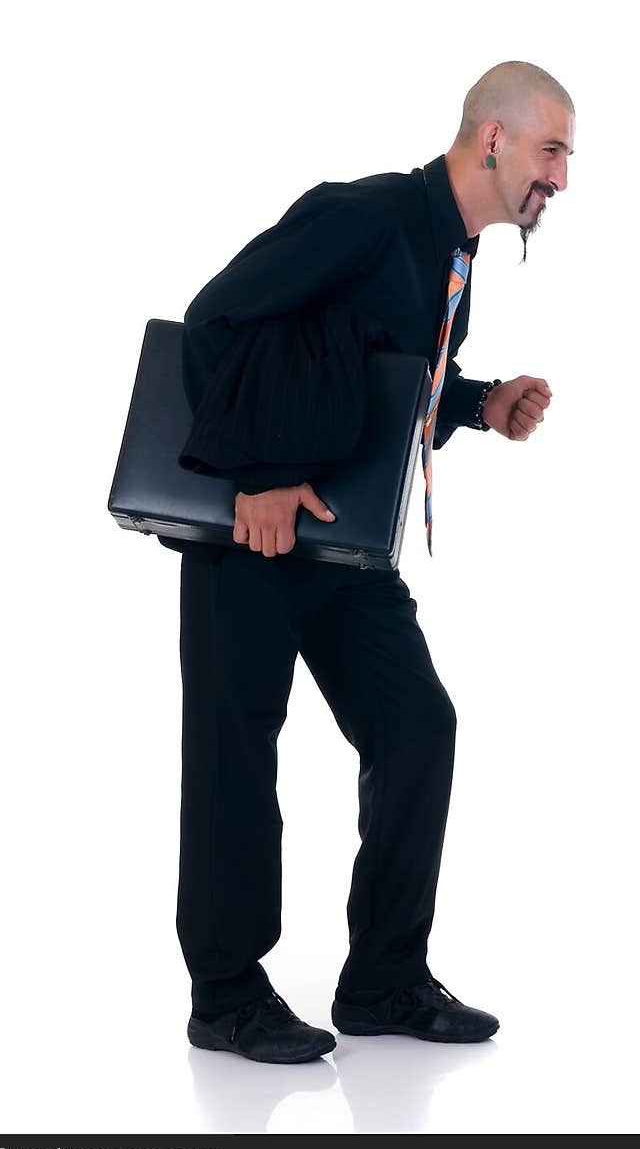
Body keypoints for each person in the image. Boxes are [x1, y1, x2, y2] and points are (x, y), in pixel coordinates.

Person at [159, 60, 574, 1063]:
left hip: (347, 548)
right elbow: (215, 318)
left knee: (417, 726)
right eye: (550, 150)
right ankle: (224, 996)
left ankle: (384, 977)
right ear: (491, 137)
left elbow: (382, 387)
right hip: (252, 537)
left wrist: (478, 403)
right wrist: (252, 480)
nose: (562, 178)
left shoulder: (453, 258)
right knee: (234, 754)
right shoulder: (366, 215)